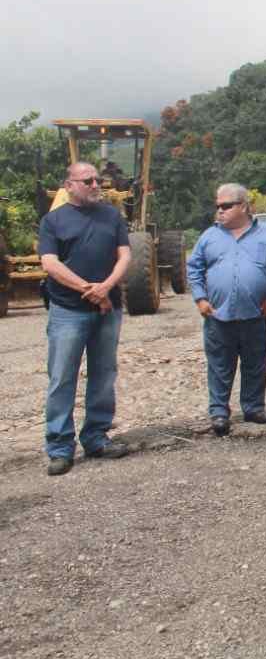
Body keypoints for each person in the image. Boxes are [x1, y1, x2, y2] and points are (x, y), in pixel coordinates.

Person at [37, 162, 133, 475]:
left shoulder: (112, 216)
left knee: (103, 374)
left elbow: (125, 256)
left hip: (108, 309)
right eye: (88, 180)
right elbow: (50, 264)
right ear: (69, 185)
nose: (95, 185)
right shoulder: (52, 221)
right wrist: (89, 290)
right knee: (62, 377)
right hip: (67, 311)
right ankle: (60, 448)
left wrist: (106, 287)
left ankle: (96, 437)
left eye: (98, 180)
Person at [186, 183, 266, 437]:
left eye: (226, 206)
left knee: (255, 362)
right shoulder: (209, 236)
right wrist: (200, 298)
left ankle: (254, 408)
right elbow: (194, 268)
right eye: (218, 206)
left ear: (243, 206)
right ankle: (219, 412)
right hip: (218, 316)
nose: (219, 211)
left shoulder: (265, 234)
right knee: (219, 365)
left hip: (255, 315)